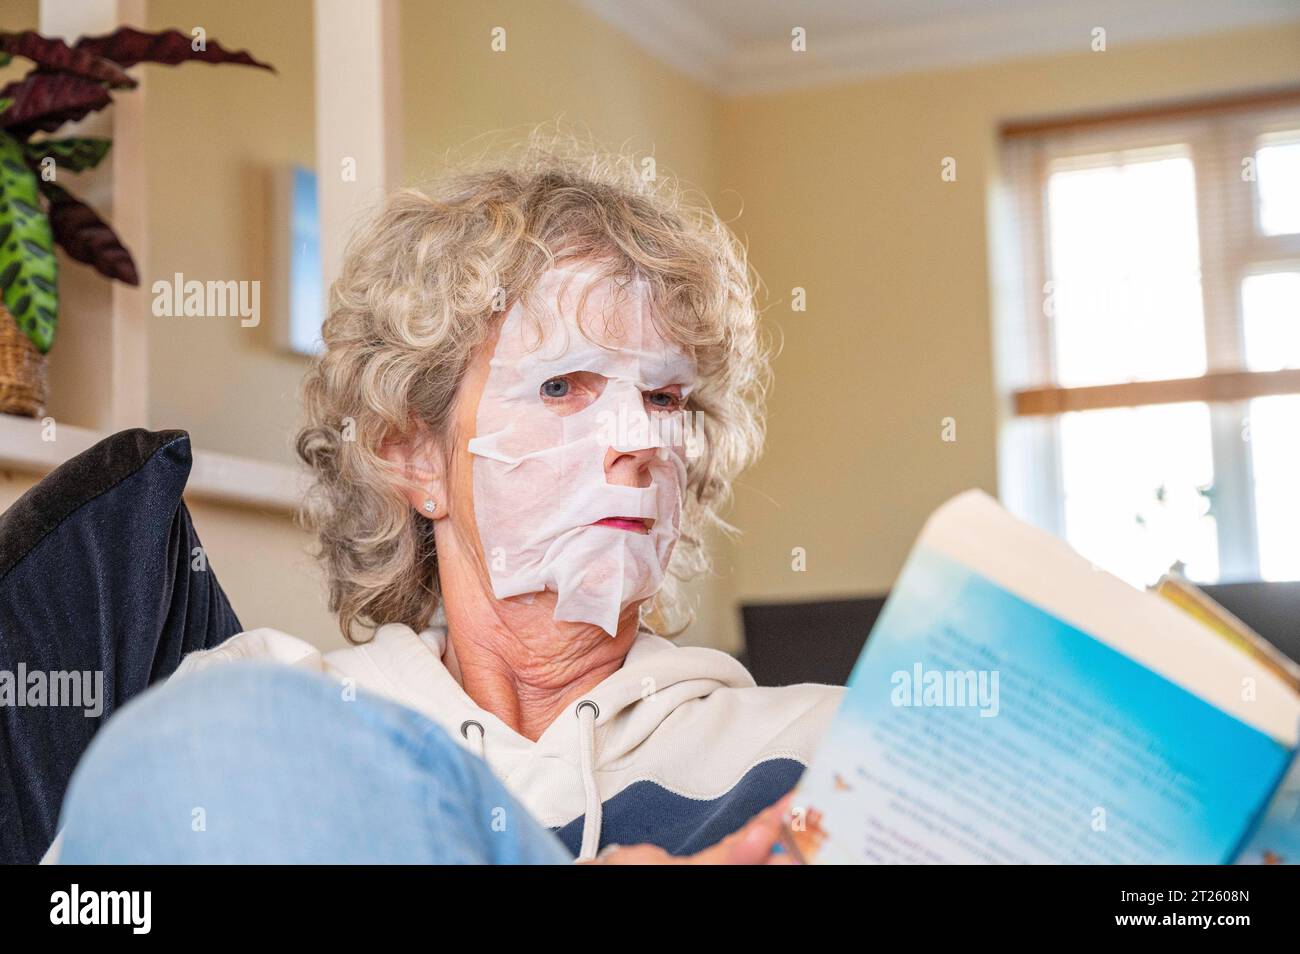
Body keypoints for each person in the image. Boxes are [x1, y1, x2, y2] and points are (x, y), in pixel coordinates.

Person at [56, 135, 842, 864]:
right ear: (414, 455)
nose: (635, 438)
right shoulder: (276, 706)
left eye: (665, 398)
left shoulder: (826, 743)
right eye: (564, 386)